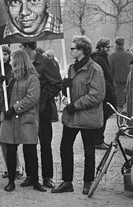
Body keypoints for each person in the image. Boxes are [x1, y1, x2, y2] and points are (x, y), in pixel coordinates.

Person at [52, 35, 105, 196]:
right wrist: (64, 87)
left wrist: (75, 105)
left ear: (82, 50)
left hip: (87, 116)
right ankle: (67, 181)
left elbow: (97, 95)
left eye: (73, 48)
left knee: (89, 150)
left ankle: (88, 182)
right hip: (72, 117)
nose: (70, 50)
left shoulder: (95, 69)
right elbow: (69, 93)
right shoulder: (71, 68)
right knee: (65, 147)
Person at [0, 49, 46, 192]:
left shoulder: (32, 78)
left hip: (26, 117)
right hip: (10, 118)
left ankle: (35, 180)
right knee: (11, 150)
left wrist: (15, 109)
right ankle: (11, 180)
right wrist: (2, 86)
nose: (10, 62)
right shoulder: (11, 77)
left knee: (30, 150)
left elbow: (32, 98)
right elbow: (5, 97)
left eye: (12, 59)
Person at [18, 42, 62, 189]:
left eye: (21, 46)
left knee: (45, 143)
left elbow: (56, 83)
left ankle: (47, 176)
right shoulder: (23, 62)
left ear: (28, 47)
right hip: (27, 109)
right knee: (28, 142)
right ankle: (31, 175)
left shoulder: (46, 62)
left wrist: (43, 98)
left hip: (43, 110)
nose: (20, 49)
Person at [91, 38, 117, 150]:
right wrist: (109, 89)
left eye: (110, 47)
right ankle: (98, 140)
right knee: (102, 117)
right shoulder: (99, 59)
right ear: (101, 47)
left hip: (105, 92)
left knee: (103, 117)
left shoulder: (101, 58)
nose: (109, 49)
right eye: (107, 47)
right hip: (104, 93)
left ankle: (99, 139)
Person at [108, 37, 133, 109]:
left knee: (119, 107)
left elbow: (110, 73)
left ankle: (120, 120)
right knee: (129, 106)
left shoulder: (112, 56)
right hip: (129, 85)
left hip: (117, 86)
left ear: (116, 45)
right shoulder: (130, 56)